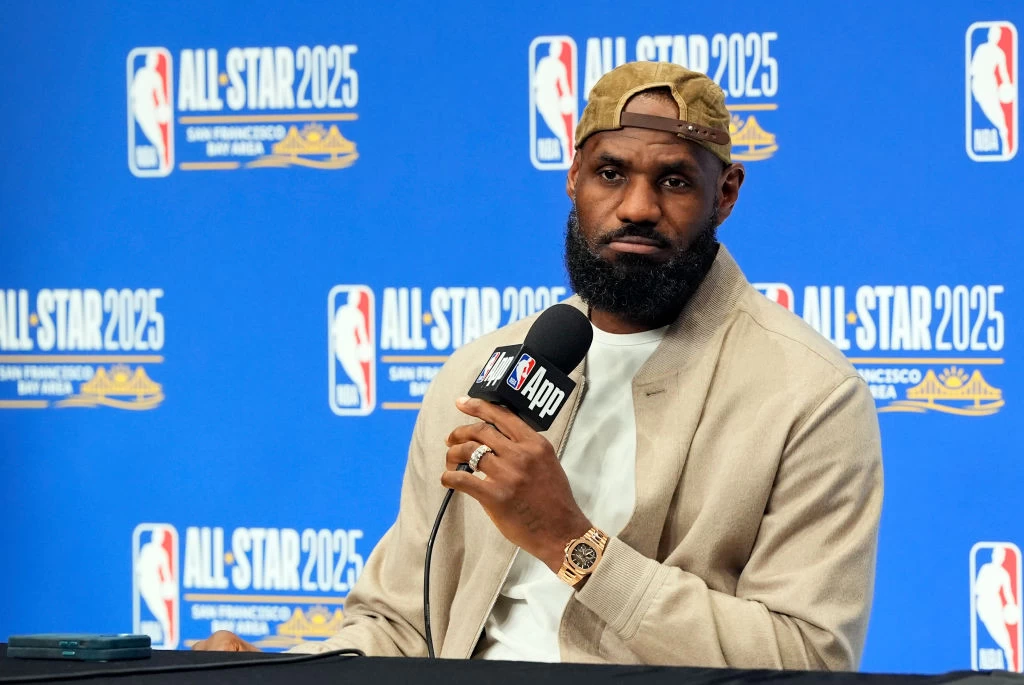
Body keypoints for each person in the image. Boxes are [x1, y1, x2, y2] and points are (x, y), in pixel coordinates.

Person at [194, 61, 883, 670]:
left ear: (725, 194)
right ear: (574, 177)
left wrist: (569, 541)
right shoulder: (480, 371)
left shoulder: (810, 395)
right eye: (611, 173)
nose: (637, 207)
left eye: (674, 181)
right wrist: (278, 670)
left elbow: (808, 657)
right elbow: (403, 624)